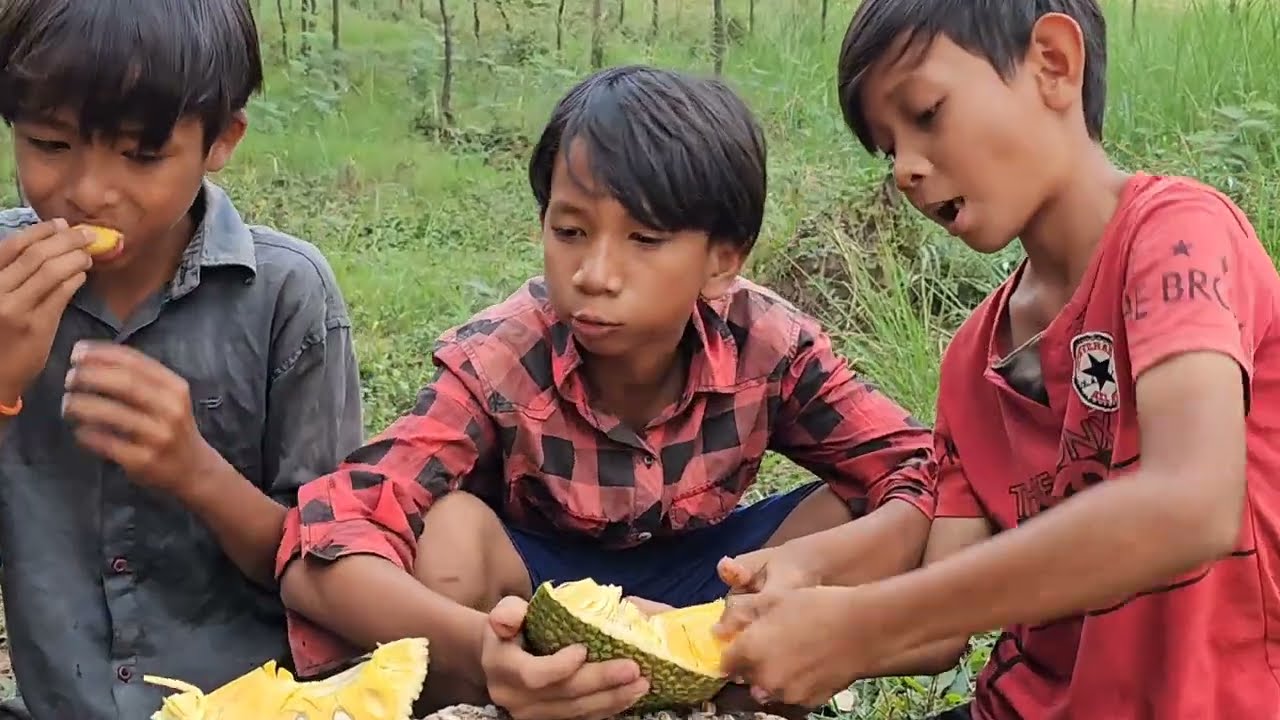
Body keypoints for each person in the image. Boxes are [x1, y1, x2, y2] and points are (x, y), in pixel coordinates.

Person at [275, 64, 937, 719]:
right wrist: (482, 649)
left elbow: (928, 473)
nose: (594, 275)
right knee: (448, 534)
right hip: (537, 605)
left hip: (714, 594)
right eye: (570, 232)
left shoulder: (769, 345)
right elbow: (327, 539)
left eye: (644, 239)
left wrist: (809, 569)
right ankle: (502, 698)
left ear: (723, 260)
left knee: (864, 513)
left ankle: (736, 684)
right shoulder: (503, 358)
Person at [713, 1, 1280, 719]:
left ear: (1053, 64)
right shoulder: (973, 360)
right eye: (890, 149)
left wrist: (861, 625)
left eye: (926, 113)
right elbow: (941, 623)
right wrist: (777, 636)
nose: (909, 170)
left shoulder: (1176, 239)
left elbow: (1191, 505)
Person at [0, 0, 364, 718]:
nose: (89, 193)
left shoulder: (286, 296)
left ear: (221, 138)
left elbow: (336, 573)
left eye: (141, 155)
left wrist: (197, 473)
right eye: (49, 143)